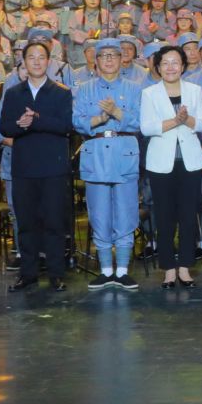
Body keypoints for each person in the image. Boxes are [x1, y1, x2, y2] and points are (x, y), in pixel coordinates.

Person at [0, 39, 74, 291]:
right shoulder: (13, 93)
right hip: (24, 168)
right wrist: (19, 124)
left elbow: (66, 126)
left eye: (41, 57)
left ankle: (56, 273)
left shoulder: (61, 92)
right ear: (24, 62)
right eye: (31, 57)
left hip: (53, 168)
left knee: (54, 222)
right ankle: (28, 273)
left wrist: (36, 120)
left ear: (49, 61)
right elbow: (4, 127)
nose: (37, 62)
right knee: (26, 223)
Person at [73, 39, 143, 291]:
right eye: (104, 55)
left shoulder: (135, 88)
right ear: (96, 61)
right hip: (95, 154)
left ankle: (122, 271)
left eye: (114, 55)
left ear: (123, 59)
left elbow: (141, 122)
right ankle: (105, 271)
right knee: (99, 213)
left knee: (126, 211)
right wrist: (99, 119)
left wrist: (117, 113)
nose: (110, 59)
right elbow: (76, 121)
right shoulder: (84, 89)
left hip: (125, 153)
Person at [141, 44, 202, 289]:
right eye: (165, 63)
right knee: (165, 216)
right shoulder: (149, 93)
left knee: (189, 216)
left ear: (183, 66)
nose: (170, 67)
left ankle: (185, 268)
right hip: (160, 163)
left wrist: (186, 120)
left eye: (175, 62)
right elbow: (147, 128)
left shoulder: (195, 90)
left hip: (190, 162)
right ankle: (169, 269)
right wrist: (175, 121)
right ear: (158, 67)